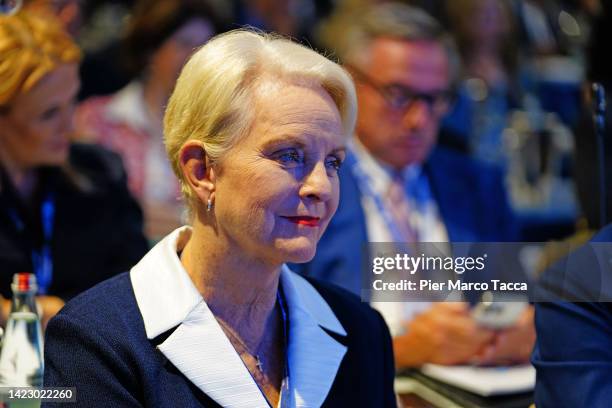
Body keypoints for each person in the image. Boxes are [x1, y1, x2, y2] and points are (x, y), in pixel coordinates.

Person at [43, 29, 397, 407]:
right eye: (290, 155)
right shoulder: (95, 340)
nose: (321, 187)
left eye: (332, 162)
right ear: (202, 171)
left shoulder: (361, 330)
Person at [297, 3, 534, 367]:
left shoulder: (476, 184)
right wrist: (402, 351)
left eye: (434, 99)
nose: (418, 120)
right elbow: (288, 337)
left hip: (474, 382)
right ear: (349, 86)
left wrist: (516, 329)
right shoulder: (311, 185)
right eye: (398, 95)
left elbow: (509, 296)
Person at [0, 11, 148, 326]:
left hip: (91, 361)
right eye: (49, 113)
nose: (70, 125)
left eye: (73, 102)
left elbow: (141, 284)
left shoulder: (101, 172)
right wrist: (16, 313)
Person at [75, 0, 220, 239]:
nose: (195, 59)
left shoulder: (215, 128)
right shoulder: (97, 119)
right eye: (184, 43)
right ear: (151, 50)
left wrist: (182, 220)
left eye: (203, 47)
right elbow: (85, 210)